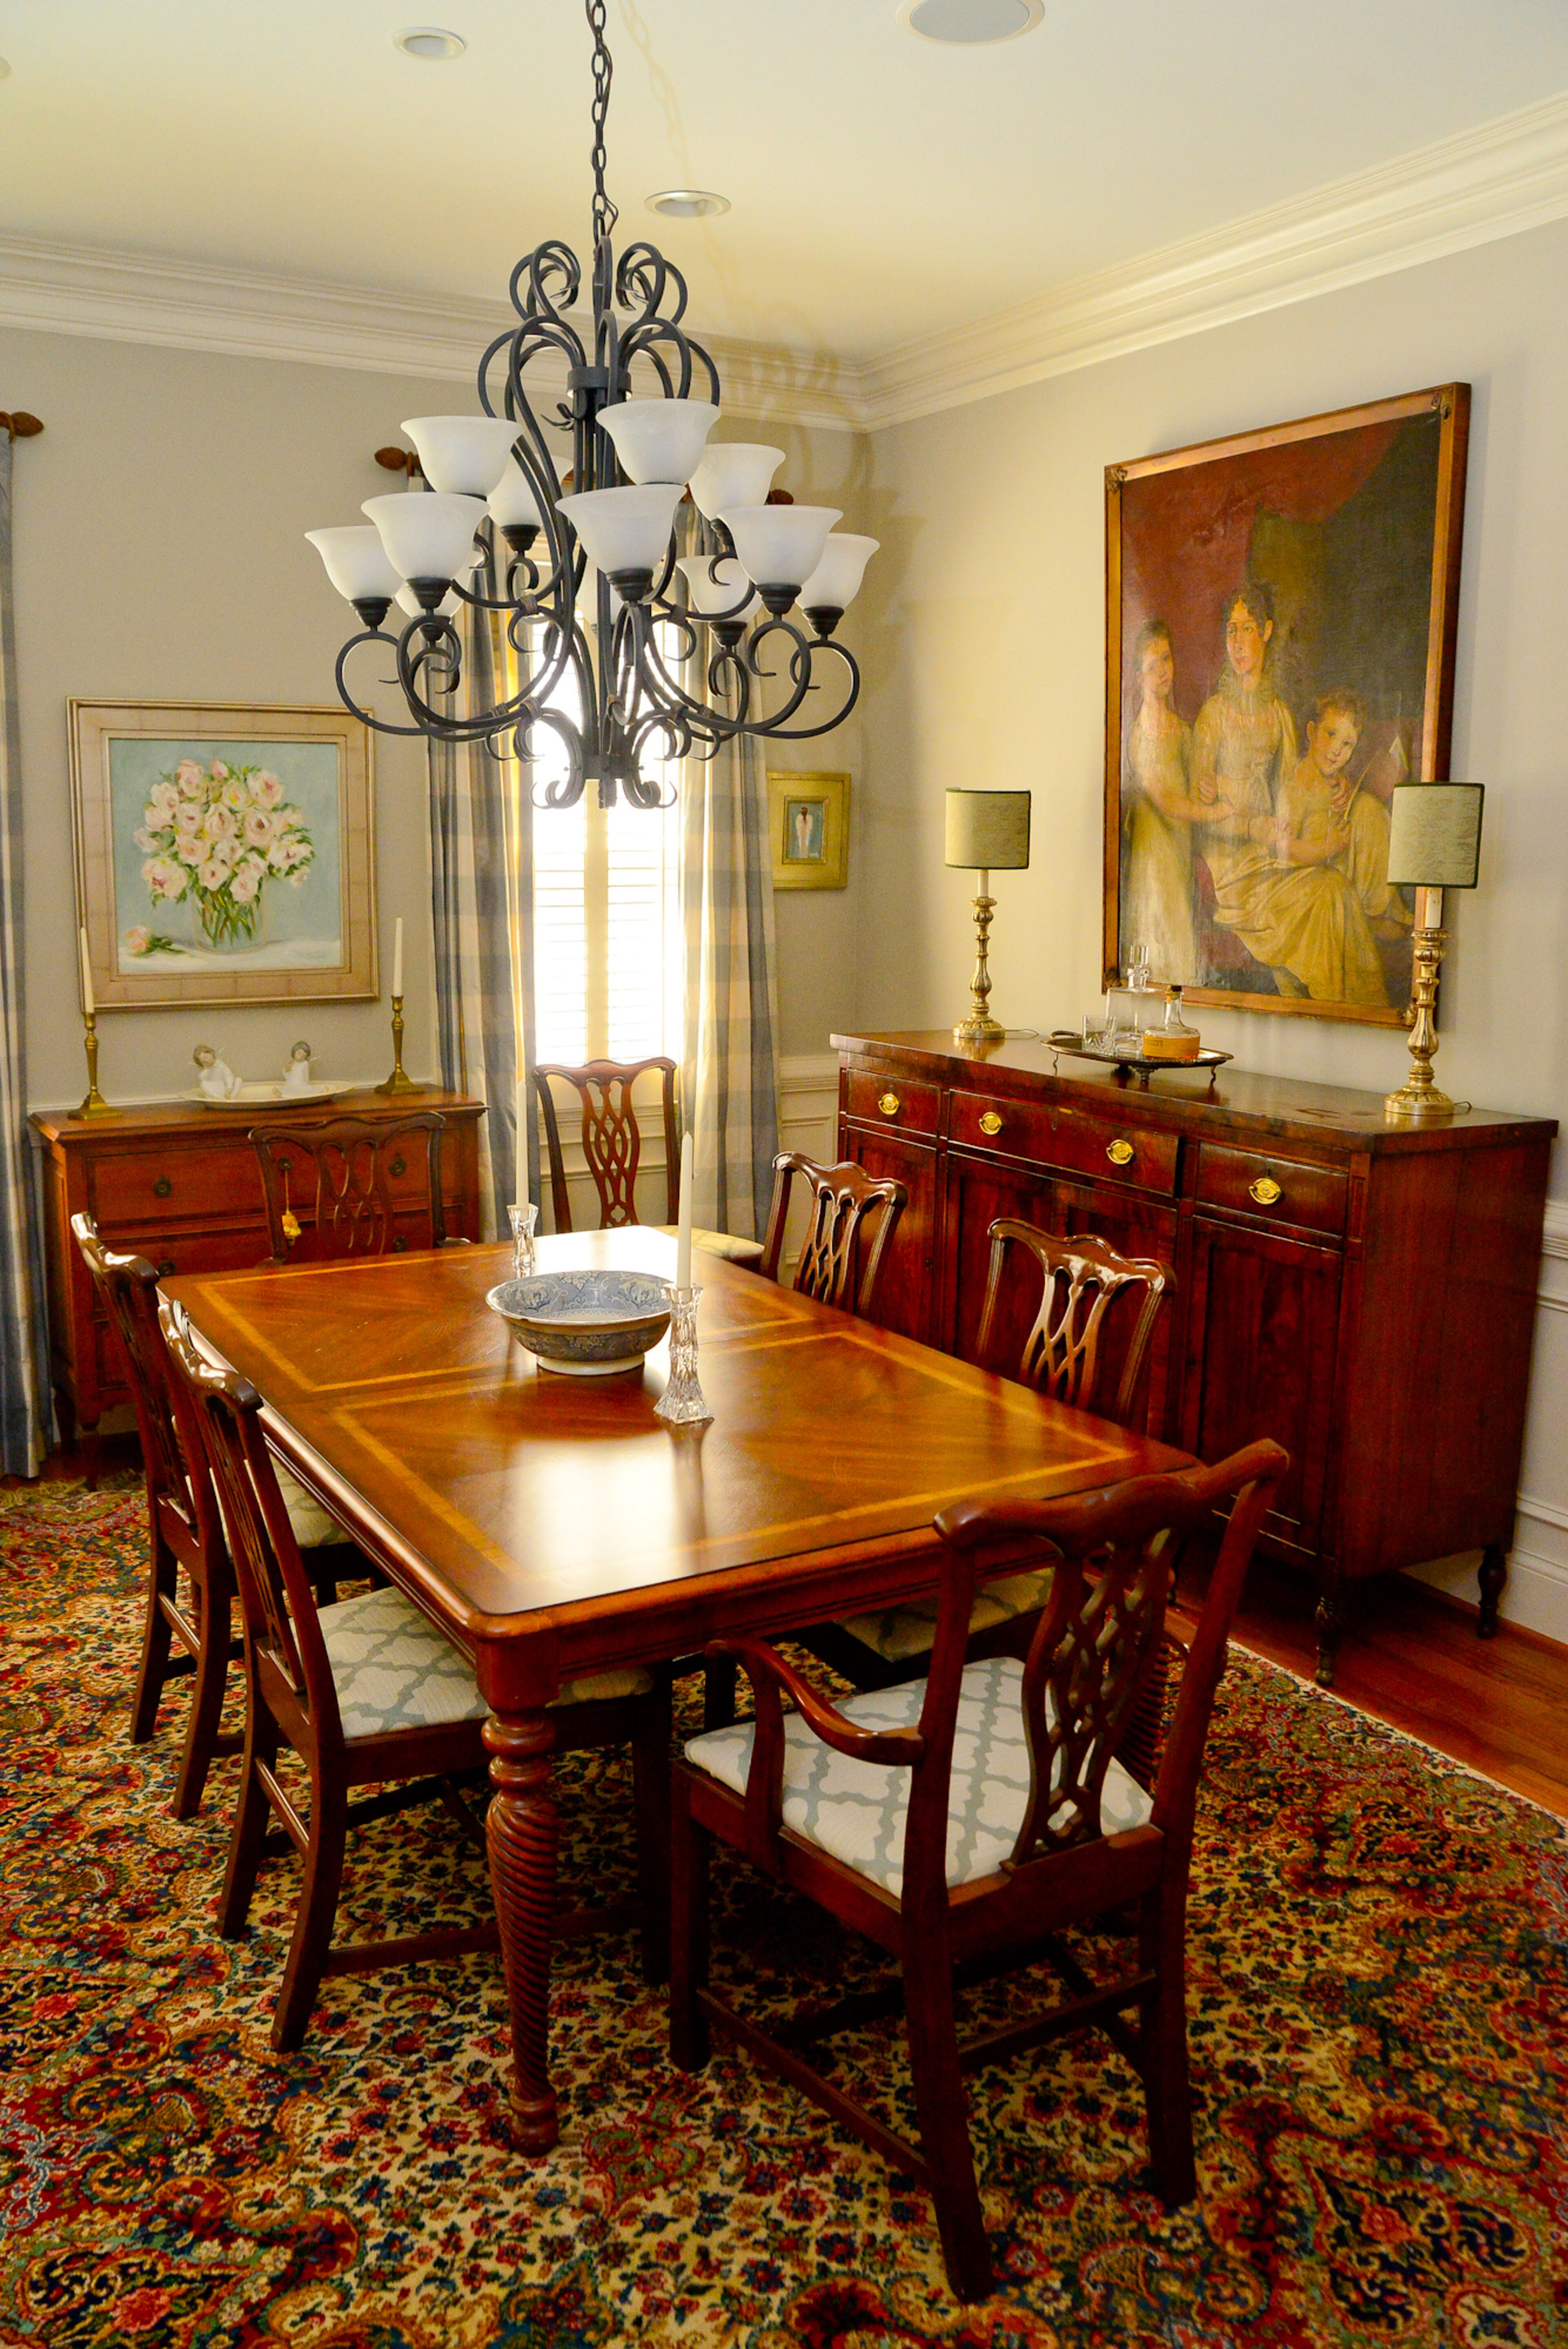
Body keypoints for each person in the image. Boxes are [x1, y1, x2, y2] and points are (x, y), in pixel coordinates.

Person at [1191, 586, 1386, 1005]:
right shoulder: (1213, 716)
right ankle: (1347, 1012)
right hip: (1233, 867)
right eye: (1231, 631)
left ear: (1266, 631)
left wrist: (1339, 784)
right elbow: (1197, 809)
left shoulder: (1279, 713)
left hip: (1272, 851)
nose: (1238, 642)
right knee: (1328, 891)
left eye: (1247, 629)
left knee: (1336, 884)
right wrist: (1249, 824)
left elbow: (1293, 788)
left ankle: (1358, 1011)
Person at [1120, 619, 1207, 982]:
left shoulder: (1183, 730)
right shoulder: (1140, 735)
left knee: (1179, 919)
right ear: (1139, 677)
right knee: (1162, 926)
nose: (1161, 673)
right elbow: (1166, 800)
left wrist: (1207, 790)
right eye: (1152, 666)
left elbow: (1196, 780)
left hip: (1180, 841)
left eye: (1166, 660)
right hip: (1153, 847)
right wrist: (1211, 810)